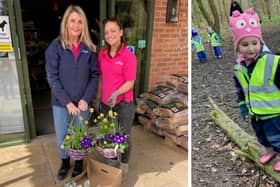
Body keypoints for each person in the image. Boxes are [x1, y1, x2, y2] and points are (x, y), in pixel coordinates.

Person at [45, 5, 99, 180]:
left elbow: (94, 75)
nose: (76, 25)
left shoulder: (89, 49)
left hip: (82, 103)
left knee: (80, 134)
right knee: (63, 135)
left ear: (84, 25)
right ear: (66, 23)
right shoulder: (55, 47)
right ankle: (65, 162)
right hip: (61, 103)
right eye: (73, 21)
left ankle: (78, 164)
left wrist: (86, 98)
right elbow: (52, 77)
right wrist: (67, 102)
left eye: (80, 21)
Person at [230, 8, 280, 171]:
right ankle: (270, 151)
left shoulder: (272, 62)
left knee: (277, 135)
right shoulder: (238, 68)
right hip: (255, 113)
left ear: (261, 43)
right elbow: (240, 92)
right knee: (262, 135)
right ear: (238, 47)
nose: (250, 48)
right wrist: (244, 109)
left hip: (274, 111)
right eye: (245, 44)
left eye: (254, 43)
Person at [95, 17, 137, 175]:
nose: (109, 34)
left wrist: (117, 92)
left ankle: (124, 162)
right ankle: (111, 157)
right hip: (106, 103)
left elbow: (130, 82)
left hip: (124, 103)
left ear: (120, 32)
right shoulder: (102, 54)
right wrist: (98, 98)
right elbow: (101, 77)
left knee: (123, 135)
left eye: (113, 31)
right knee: (108, 132)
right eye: (106, 32)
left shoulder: (128, 56)